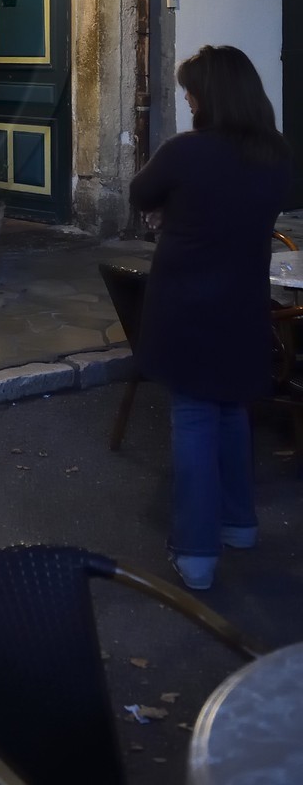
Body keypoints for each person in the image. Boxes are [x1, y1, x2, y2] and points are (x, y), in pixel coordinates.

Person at [129, 45, 291, 592]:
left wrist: (173, 209)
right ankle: (239, 523)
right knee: (231, 411)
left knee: (195, 417)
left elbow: (140, 192)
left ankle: (196, 553)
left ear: (207, 97)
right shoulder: (276, 154)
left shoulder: (187, 152)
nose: (188, 100)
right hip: (243, 302)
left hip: (187, 303)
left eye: (191, 92)